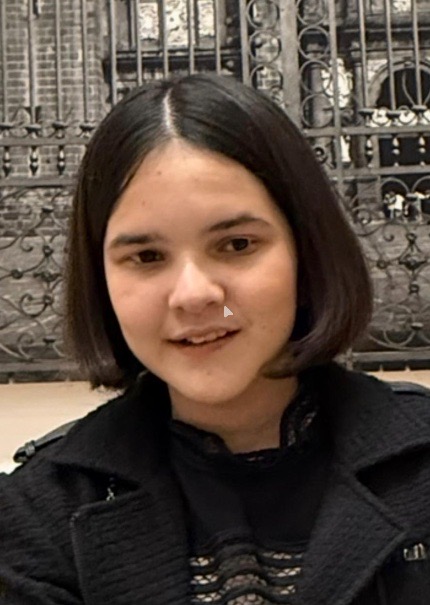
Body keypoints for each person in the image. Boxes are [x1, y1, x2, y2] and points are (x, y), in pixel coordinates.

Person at [1, 73, 430, 605]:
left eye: (237, 244)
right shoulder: (39, 515)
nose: (194, 295)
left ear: (306, 249)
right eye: (147, 256)